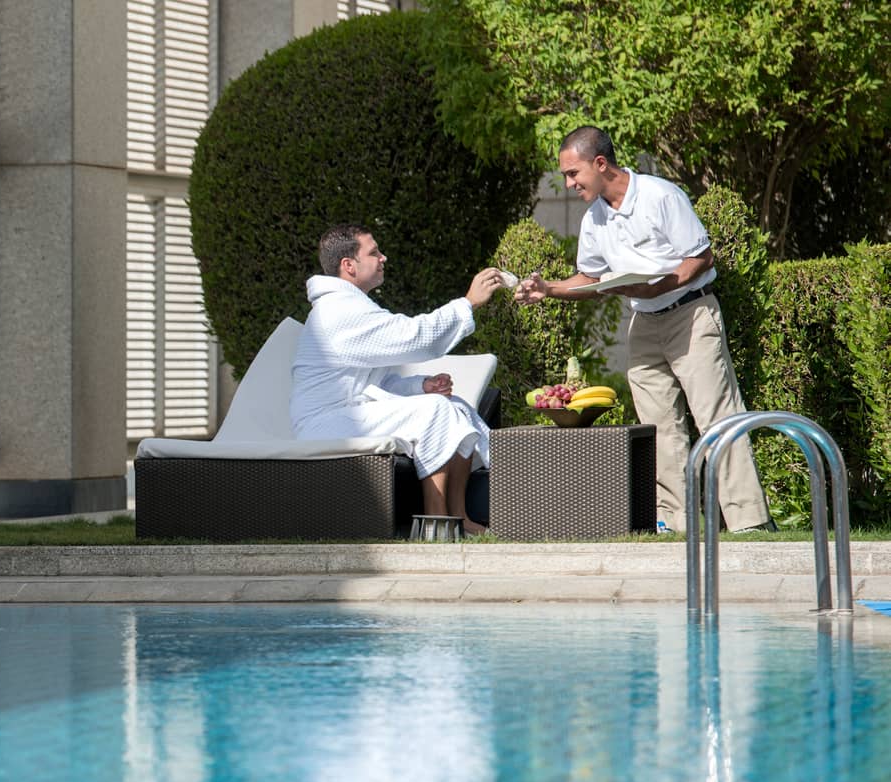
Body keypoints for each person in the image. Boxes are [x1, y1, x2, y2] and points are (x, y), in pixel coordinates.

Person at [514, 125, 772, 533]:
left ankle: (749, 522)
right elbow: (590, 278)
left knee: (717, 418)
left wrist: (658, 287)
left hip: (690, 314)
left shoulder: (660, 196)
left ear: (601, 164)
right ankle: (677, 524)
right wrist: (549, 289)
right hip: (644, 323)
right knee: (659, 427)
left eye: (573, 173)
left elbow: (700, 258)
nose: (569, 184)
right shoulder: (594, 219)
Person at [291, 224, 505, 535]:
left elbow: (374, 385)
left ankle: (461, 518)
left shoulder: (350, 305)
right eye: (374, 252)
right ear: (349, 265)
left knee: (454, 406)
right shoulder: (338, 311)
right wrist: (468, 303)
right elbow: (414, 336)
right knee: (434, 410)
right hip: (323, 423)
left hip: (348, 414)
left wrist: (421, 386)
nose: (383, 258)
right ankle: (435, 521)